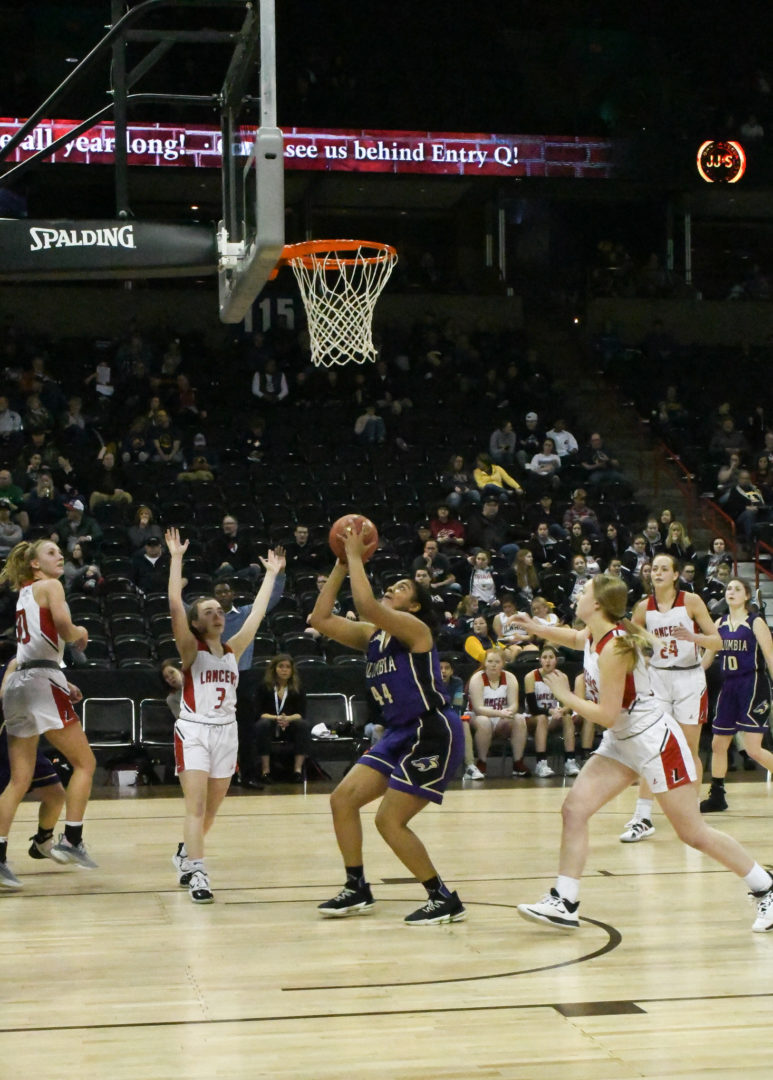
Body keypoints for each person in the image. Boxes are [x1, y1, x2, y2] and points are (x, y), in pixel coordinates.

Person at [513, 574, 773, 933]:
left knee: (693, 833)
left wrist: (566, 696)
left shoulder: (615, 648)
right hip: (622, 741)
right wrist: (536, 628)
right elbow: (574, 638)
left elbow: (605, 715)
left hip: (654, 742)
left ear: (598, 604)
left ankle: (766, 887)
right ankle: (565, 900)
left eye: (584, 591)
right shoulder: (595, 634)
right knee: (574, 810)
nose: (578, 595)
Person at [310, 523, 466, 925]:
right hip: (399, 733)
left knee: (388, 820)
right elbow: (320, 617)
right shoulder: (373, 637)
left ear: (413, 607)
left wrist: (356, 556)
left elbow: (365, 605)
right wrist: (341, 564)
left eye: (402, 588)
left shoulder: (416, 630)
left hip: (431, 730)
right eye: (393, 584)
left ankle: (442, 897)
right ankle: (356, 886)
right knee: (342, 800)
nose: (393, 588)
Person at [166, 527, 284, 904]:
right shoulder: (191, 650)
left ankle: (185, 853)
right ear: (196, 623)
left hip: (226, 733)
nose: (217, 614)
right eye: (208, 612)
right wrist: (176, 559)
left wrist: (271, 575)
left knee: (211, 811)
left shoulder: (233, 650)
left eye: (219, 610)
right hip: (194, 731)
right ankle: (198, 871)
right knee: (196, 806)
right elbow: (174, 604)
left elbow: (258, 614)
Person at [0, 539, 96, 886]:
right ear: (36, 564)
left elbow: (32, 646)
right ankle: (71, 839)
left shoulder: (24, 593)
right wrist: (81, 633)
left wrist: (62, 680)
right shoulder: (51, 586)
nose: (60, 556)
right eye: (52, 553)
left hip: (19, 683)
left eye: (60, 551)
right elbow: (65, 627)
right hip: (41, 680)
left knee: (19, 780)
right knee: (85, 763)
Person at [618, 552, 720, 843]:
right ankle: (643, 817)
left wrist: (693, 638)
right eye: (654, 569)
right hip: (659, 679)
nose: (658, 573)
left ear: (676, 575)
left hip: (689, 678)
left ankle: (691, 814)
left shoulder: (691, 601)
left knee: (688, 748)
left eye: (664, 569)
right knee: (653, 747)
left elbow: (717, 641)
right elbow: (629, 640)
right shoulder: (643, 607)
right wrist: (642, 654)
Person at [699, 578, 773, 814]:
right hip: (728, 686)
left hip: (753, 684)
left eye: (737, 589)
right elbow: (707, 659)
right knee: (718, 744)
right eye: (728, 589)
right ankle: (717, 796)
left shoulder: (755, 622)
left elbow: (770, 656)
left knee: (753, 749)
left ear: (747, 595)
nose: (731, 592)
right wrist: (685, 676)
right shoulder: (718, 623)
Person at [212, 573, 285, 788]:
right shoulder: (209, 618)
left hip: (243, 677)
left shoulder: (244, 613)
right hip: (216, 679)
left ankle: (248, 775)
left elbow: (271, 600)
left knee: (246, 730)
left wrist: (279, 575)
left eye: (226, 591)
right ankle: (220, 777)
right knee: (217, 730)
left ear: (233, 594)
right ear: (214, 597)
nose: (223, 595)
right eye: (219, 593)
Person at [468, 649, 530, 778]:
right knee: (484, 722)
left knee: (519, 719)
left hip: (501, 717)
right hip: (478, 716)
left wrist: (508, 712)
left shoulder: (510, 678)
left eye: (497, 662)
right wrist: (499, 713)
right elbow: (478, 708)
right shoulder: (477, 678)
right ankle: (482, 762)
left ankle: (518, 762)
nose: (493, 665)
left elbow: (514, 705)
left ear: (503, 663)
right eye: (490, 661)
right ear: (485, 663)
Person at [523, 645, 580, 778]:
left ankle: (570, 761)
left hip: (552, 717)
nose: (547, 660)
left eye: (551, 657)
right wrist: (550, 711)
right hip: (533, 718)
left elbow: (569, 705)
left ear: (556, 660)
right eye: (544, 657)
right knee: (542, 718)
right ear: (540, 660)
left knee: (567, 717)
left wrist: (562, 710)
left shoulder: (562, 677)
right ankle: (541, 763)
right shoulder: (531, 677)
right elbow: (532, 708)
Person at [255, 653, 312, 783]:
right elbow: (259, 713)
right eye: (281, 666)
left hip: (290, 725)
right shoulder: (264, 687)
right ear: (274, 669)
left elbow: (301, 713)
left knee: (303, 724)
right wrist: (277, 718)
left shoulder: (298, 688)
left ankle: (297, 771)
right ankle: (265, 771)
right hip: (270, 723)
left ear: (292, 670)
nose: (284, 670)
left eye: (287, 667)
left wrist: (288, 719)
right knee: (262, 724)